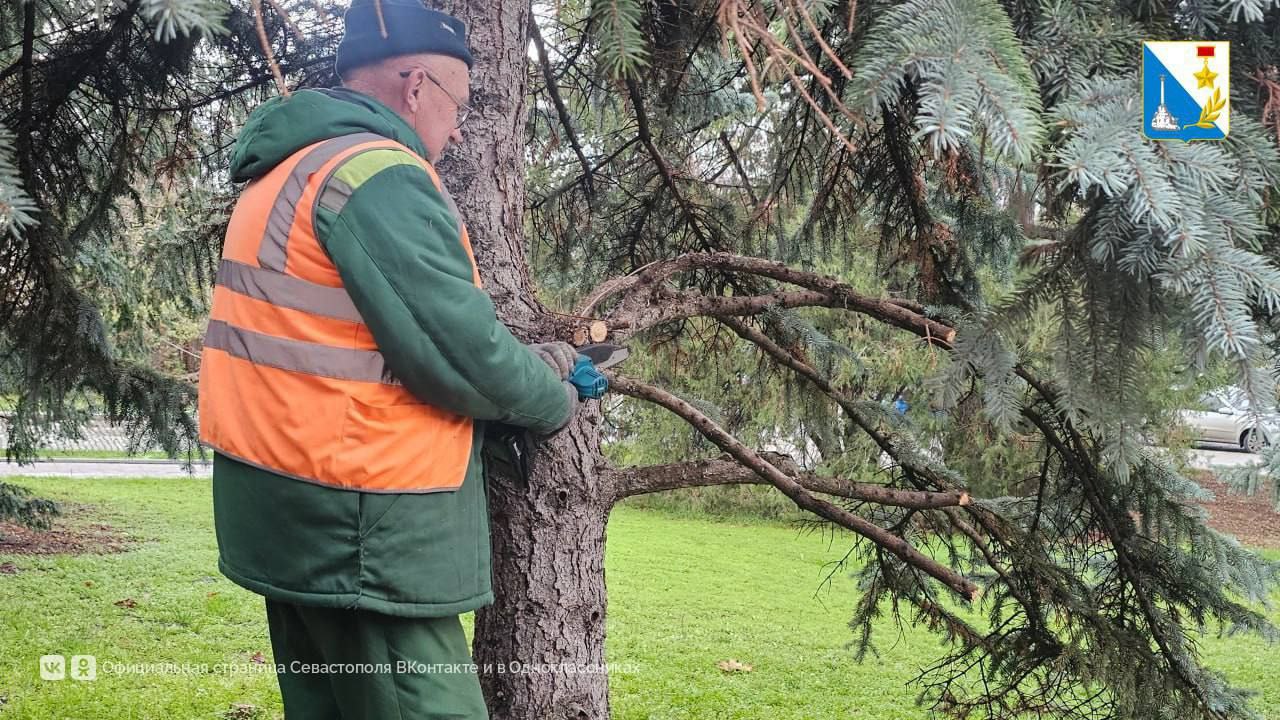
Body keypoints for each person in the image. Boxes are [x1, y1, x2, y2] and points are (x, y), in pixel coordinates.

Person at [195, 1, 580, 717]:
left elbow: (359, 337)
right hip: (363, 529)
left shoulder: (289, 168)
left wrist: (534, 359)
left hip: (287, 513)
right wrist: (555, 398)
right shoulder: (379, 176)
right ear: (415, 87)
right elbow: (459, 356)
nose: (460, 130)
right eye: (458, 106)